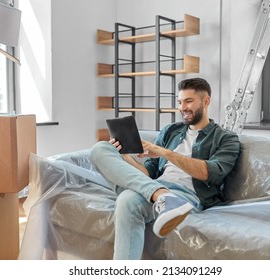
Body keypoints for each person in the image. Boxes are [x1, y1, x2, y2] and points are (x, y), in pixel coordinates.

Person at [89, 77, 240, 260]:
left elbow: (210, 173)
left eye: (188, 101)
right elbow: (147, 174)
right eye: (180, 102)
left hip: (187, 196)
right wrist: (126, 159)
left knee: (127, 199)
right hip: (155, 187)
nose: (182, 107)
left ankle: (165, 198)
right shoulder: (170, 131)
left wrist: (165, 152)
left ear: (206, 101)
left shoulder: (225, 138)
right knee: (99, 149)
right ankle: (162, 196)